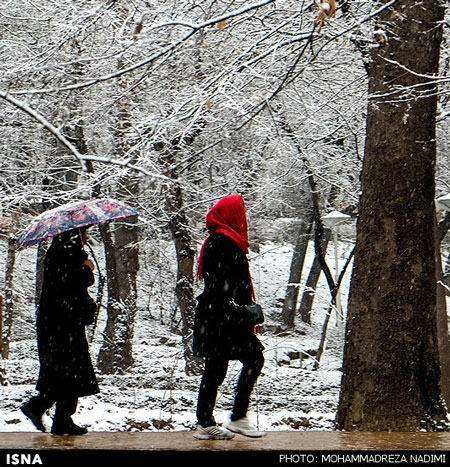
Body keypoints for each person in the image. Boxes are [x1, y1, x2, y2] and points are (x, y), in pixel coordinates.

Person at [193, 194, 265, 440]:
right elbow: (222, 285)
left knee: (219, 368)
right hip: (223, 318)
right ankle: (230, 418)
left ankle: (214, 420)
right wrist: (242, 313)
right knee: (246, 361)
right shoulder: (223, 242)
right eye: (240, 213)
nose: (244, 219)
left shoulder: (221, 240)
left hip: (221, 316)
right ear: (232, 215)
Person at [21, 227, 99, 435]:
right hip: (63, 325)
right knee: (68, 371)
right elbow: (69, 283)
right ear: (75, 236)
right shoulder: (66, 255)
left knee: (64, 372)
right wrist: (86, 269)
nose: (87, 237)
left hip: (58, 324)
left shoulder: (61, 252)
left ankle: (56, 415)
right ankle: (46, 410)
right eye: (84, 233)